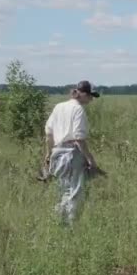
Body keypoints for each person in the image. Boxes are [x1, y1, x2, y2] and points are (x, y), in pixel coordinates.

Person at [43, 80, 101, 226]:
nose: (91, 99)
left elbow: (49, 134)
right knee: (75, 194)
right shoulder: (78, 110)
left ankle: (57, 223)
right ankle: (70, 228)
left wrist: (49, 154)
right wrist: (90, 160)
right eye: (90, 96)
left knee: (64, 191)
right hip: (72, 154)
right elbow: (79, 138)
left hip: (57, 153)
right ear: (83, 94)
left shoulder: (58, 107)